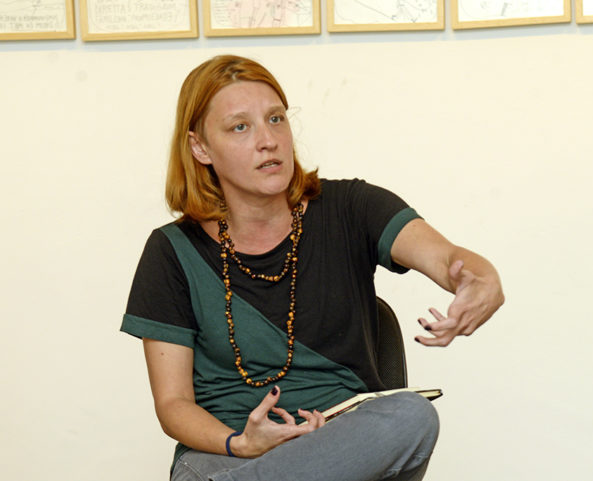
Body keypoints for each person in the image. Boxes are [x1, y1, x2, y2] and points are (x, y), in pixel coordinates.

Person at [121, 55, 504, 481]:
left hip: (342, 447)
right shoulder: (171, 251)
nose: (268, 140)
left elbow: (448, 259)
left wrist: (481, 279)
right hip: (227, 453)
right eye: (240, 127)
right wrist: (240, 444)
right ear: (200, 148)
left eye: (276, 119)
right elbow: (173, 404)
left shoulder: (352, 208)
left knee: (412, 415)